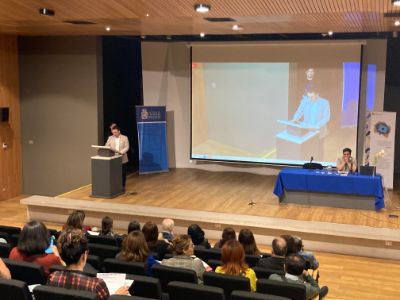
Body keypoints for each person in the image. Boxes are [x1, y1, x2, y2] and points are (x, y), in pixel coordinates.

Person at [48, 229, 129, 299]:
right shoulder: (96, 285)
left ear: (62, 255)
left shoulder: (53, 277)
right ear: (85, 255)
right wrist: (115, 296)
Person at [105, 125, 130, 189]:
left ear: (119, 131)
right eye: (113, 132)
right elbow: (106, 146)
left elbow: (127, 147)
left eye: (115, 132)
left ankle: (122, 186)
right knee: (114, 173)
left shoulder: (125, 137)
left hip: (122, 157)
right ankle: (114, 186)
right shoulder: (110, 138)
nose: (114, 134)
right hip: (113, 158)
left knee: (122, 173)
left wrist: (121, 152)